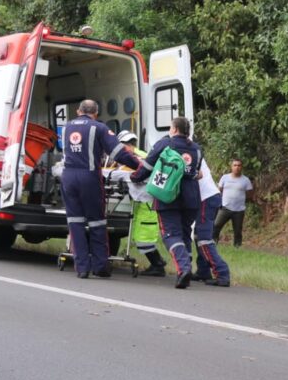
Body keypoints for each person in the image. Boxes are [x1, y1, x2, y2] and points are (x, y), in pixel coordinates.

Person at [61, 100, 142, 279]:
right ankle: (100, 266)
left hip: (68, 177)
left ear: (78, 111)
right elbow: (118, 153)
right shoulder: (99, 128)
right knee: (97, 222)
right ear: (95, 113)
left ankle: (81, 268)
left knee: (75, 223)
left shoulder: (67, 127)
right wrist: (138, 166)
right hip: (89, 177)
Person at [131, 117, 202, 289]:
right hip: (192, 197)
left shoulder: (165, 144)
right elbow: (196, 172)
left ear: (175, 129)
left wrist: (135, 177)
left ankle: (183, 269)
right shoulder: (197, 149)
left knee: (171, 235)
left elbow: (147, 166)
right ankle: (186, 267)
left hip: (169, 195)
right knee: (184, 233)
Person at [111, 130, 169, 277]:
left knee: (144, 237)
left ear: (126, 145)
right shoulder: (140, 155)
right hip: (143, 202)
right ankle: (158, 263)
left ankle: (158, 265)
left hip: (147, 203)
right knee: (140, 235)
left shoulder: (137, 158)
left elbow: (130, 174)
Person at [192, 158, 231, 286]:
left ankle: (222, 273)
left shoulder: (187, 153)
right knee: (198, 236)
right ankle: (203, 270)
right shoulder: (193, 151)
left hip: (206, 199)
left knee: (204, 239)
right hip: (209, 198)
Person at [214, 158, 253, 248]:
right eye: (235, 165)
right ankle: (213, 243)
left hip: (239, 210)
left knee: (237, 230)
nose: (237, 167)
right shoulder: (225, 177)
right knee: (216, 225)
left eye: (239, 165)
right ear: (231, 167)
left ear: (241, 167)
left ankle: (237, 247)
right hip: (225, 208)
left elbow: (250, 193)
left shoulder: (245, 180)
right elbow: (219, 190)